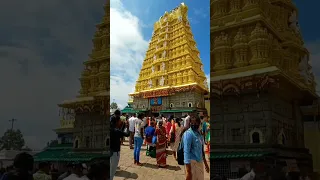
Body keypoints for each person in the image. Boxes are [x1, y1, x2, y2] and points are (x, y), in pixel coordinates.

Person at [183, 116, 209, 180]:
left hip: (199, 162)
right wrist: (188, 171)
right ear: (190, 123)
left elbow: (201, 150)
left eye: (196, 123)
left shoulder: (199, 134)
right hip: (192, 163)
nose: (194, 124)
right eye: (192, 123)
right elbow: (186, 152)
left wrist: (206, 164)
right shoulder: (188, 134)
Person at [110, 115, 130, 180]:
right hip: (115, 152)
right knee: (112, 171)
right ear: (116, 122)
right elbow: (127, 134)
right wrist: (127, 126)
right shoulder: (117, 131)